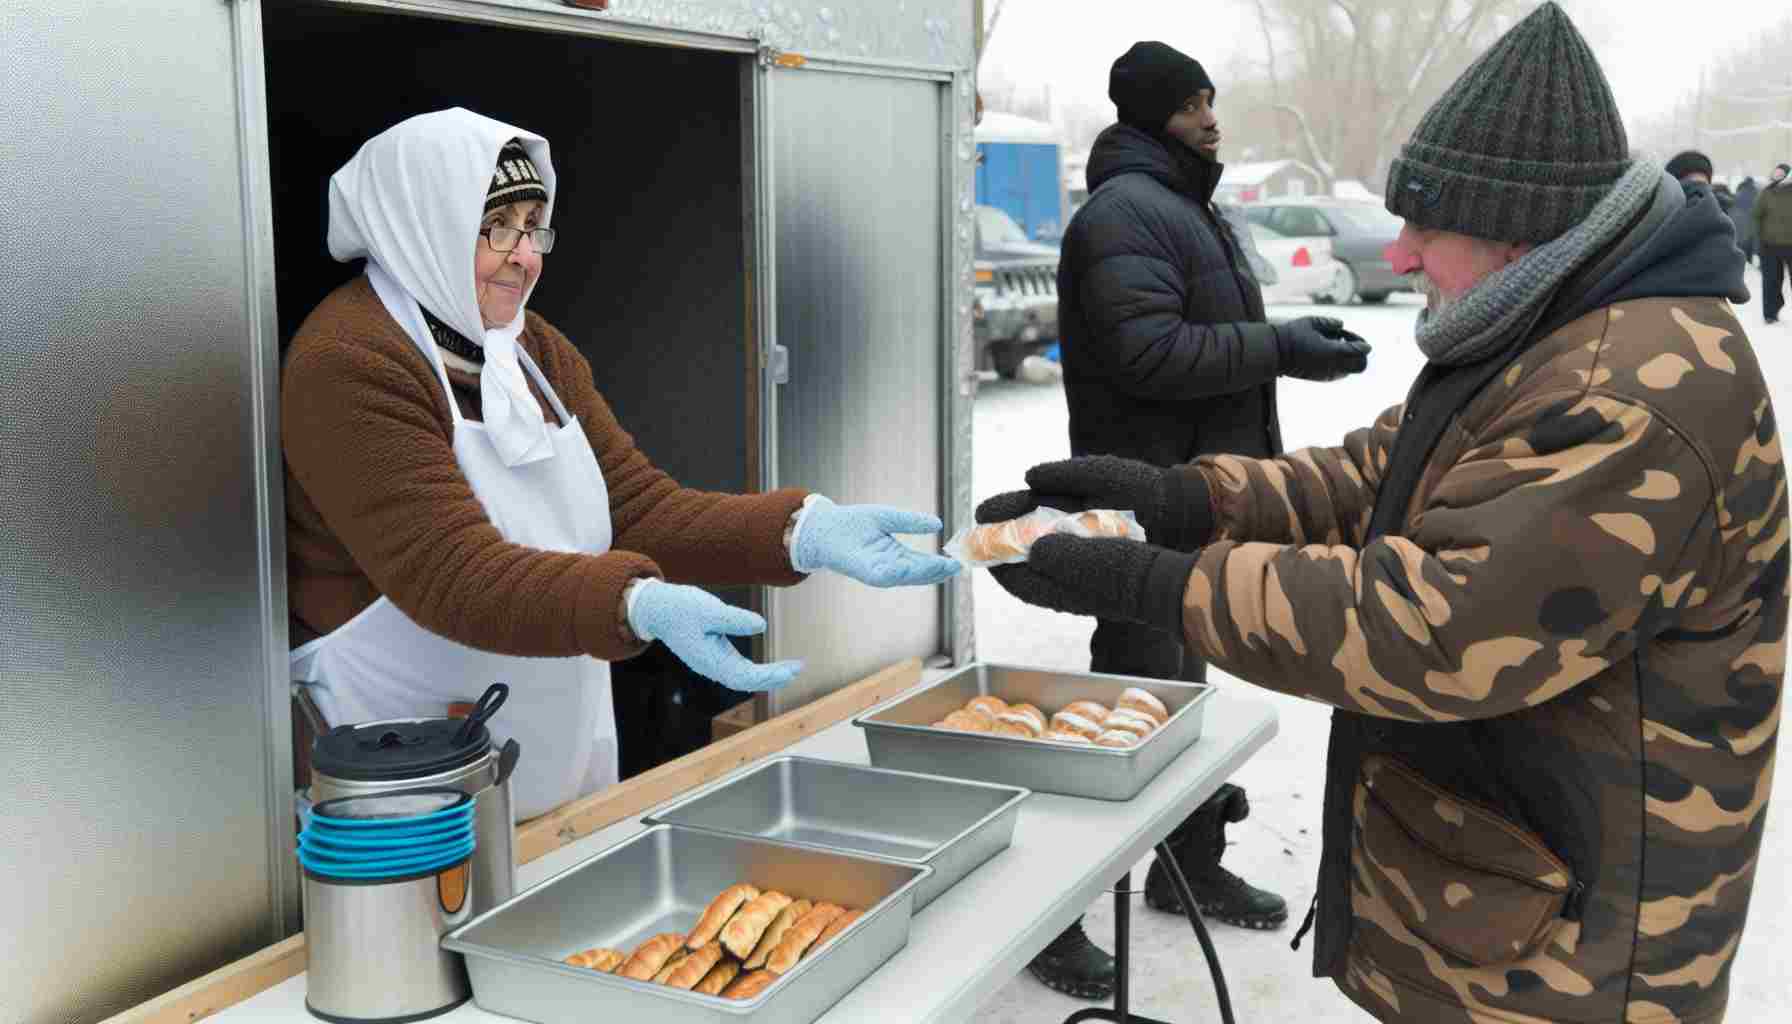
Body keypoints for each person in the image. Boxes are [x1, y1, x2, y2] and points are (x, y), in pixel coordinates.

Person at [983, 5, 1781, 1023]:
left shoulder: (1625, 392)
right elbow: (1382, 474)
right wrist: (1183, 497)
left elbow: (1434, 625)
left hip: (1570, 965)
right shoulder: (1546, 323)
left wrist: (1159, 583)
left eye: (1426, 226)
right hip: (1504, 905)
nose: (1397, 255)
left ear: (1518, 230)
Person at [283, 109, 959, 820]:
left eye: (534, 225)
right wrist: (633, 601)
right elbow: (449, 574)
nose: (525, 255)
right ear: (422, 222)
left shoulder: (532, 350)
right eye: (497, 226)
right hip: (405, 771)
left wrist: (799, 529)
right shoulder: (350, 362)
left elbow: (636, 508)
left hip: (550, 746)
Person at [1003, 40, 1370, 1002]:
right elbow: (1146, 353)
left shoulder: (1183, 205)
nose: (1213, 119)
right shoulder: (1126, 213)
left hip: (1196, 499)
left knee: (1180, 696)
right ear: (1152, 115)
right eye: (1195, 105)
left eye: (1213, 101)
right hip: (1140, 498)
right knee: (1126, 706)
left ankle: (1184, 862)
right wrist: (1277, 348)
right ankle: (1053, 910)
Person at [1753, 161, 1792, 323]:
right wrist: (1758, 243)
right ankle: (1770, 313)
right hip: (1769, 245)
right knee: (1771, 281)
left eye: (1782, 174)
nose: (1778, 177)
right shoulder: (1766, 193)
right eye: (1776, 174)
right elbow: (1756, 217)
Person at [1735, 175, 1759, 265]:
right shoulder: (1756, 193)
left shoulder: (1739, 193)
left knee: (1740, 250)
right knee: (1749, 250)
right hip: (1751, 226)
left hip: (1739, 225)